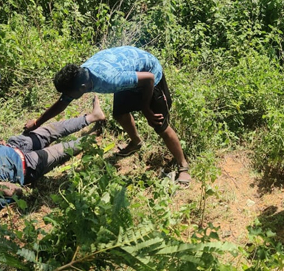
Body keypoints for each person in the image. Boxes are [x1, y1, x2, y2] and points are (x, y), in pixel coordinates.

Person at [23, 46, 191, 186]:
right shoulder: (81, 77)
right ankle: (136, 142)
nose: (67, 97)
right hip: (129, 73)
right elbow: (62, 102)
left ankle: (183, 166)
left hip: (149, 74)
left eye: (69, 93)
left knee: (159, 125)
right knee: (120, 114)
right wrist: (37, 123)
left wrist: (146, 109)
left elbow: (149, 79)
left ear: (82, 87)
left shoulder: (110, 80)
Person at [0, 97, 106, 220]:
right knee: (63, 150)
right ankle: (93, 137)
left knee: (52, 130)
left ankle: (93, 117)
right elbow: (17, 191)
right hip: (27, 166)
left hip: (13, 146)